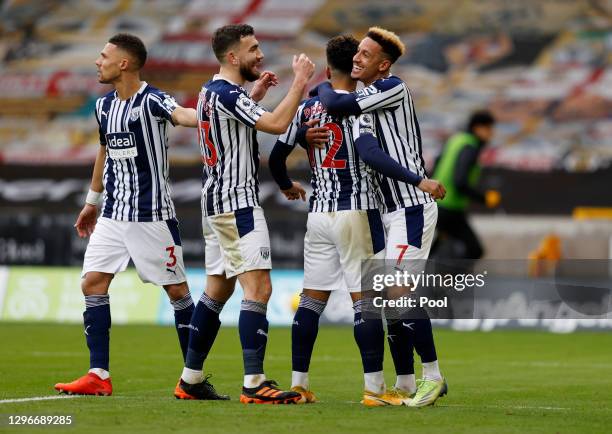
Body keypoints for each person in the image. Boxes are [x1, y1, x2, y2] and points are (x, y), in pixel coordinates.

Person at [269, 35, 444, 406]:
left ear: (382, 64)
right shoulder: (362, 104)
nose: (360, 59)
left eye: (367, 54)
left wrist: (418, 180)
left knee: (393, 293)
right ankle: (404, 383)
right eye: (358, 53)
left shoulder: (390, 88)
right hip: (377, 210)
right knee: (383, 297)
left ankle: (431, 376)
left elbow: (339, 112)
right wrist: (307, 125)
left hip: (410, 205)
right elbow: (355, 133)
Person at [173, 24, 315, 404]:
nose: (260, 54)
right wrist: (299, 82)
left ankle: (190, 379)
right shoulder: (225, 94)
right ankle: (255, 383)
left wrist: (256, 94)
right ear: (232, 57)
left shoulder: (210, 91)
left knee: (217, 289)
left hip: (215, 202)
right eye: (253, 49)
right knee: (259, 290)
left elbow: (233, 124)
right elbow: (275, 124)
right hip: (236, 205)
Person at [54, 33, 199, 396]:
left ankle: (192, 377)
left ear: (123, 63)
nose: (97, 61)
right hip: (113, 213)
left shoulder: (153, 100)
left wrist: (215, 111)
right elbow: (104, 151)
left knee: (178, 292)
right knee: (92, 283)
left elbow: (182, 115)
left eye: (103, 56)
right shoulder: (103, 107)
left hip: (151, 214)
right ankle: (98, 375)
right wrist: (92, 201)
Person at [431, 110, 499, 260]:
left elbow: (436, 164)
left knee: (430, 250)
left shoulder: (455, 140)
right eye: (489, 129)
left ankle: (440, 280)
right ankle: (450, 281)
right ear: (478, 128)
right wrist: (484, 199)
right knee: (474, 250)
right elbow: (460, 182)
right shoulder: (470, 146)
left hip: (436, 205)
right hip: (450, 209)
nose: (491, 134)